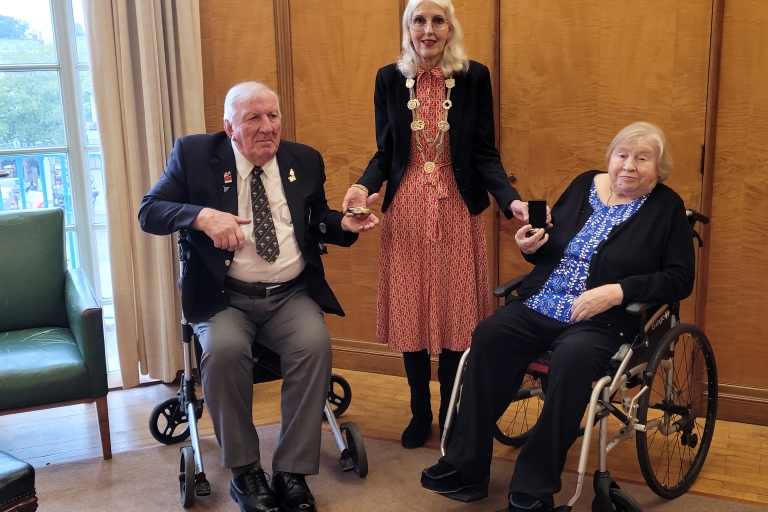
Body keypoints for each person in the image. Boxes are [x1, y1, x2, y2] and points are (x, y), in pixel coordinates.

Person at [421, 122, 696, 512]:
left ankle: (534, 485)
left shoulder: (666, 208)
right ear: (610, 158)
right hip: (540, 303)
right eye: (622, 155)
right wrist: (528, 246)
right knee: (489, 335)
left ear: (659, 168)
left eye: (642, 158)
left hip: (600, 320)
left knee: (572, 361)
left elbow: (680, 278)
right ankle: (465, 466)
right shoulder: (585, 183)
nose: (629, 166)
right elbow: (551, 246)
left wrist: (617, 291)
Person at [139, 82, 378, 512]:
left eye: (273, 116)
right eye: (254, 118)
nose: (268, 127)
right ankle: (246, 470)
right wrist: (200, 215)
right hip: (223, 297)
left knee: (314, 345)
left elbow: (317, 220)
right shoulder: (194, 155)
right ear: (229, 126)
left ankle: (291, 471)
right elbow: (149, 210)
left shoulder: (303, 159)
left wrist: (343, 224)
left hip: (290, 294)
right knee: (225, 351)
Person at [341, 0, 529, 450]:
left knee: (453, 314)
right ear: (408, 28)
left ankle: (450, 410)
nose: (428, 29)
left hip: (456, 209)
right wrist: (363, 188)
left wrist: (510, 200)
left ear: (449, 28)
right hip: (405, 208)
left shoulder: (474, 77)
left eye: (437, 20)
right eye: (419, 20)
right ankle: (419, 411)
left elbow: (484, 153)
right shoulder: (389, 78)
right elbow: (385, 153)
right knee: (411, 313)